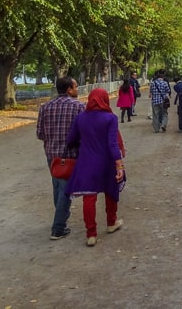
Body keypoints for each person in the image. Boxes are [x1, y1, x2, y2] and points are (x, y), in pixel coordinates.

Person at [65, 88, 126, 247]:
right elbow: (112, 144)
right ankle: (111, 223)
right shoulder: (110, 118)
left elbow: (71, 139)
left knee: (89, 197)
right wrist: (119, 164)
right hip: (106, 161)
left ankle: (91, 234)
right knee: (111, 193)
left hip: (86, 162)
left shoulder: (81, 118)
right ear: (105, 99)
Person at [36, 76, 84, 240]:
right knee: (65, 191)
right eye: (76, 86)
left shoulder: (45, 107)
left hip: (51, 155)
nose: (78, 89)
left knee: (57, 187)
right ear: (69, 89)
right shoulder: (78, 107)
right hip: (70, 155)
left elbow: (40, 134)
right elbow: (82, 132)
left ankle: (61, 215)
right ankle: (58, 228)